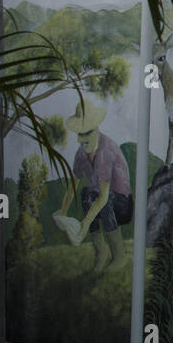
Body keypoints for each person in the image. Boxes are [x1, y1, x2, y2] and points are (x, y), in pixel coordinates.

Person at [56, 98, 133, 273]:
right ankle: (101, 253)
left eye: (87, 133)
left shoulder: (105, 150)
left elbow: (104, 195)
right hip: (104, 200)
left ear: (96, 130)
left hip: (123, 204)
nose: (83, 139)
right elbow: (72, 187)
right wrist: (62, 212)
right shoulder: (81, 154)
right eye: (80, 134)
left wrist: (85, 222)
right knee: (85, 195)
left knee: (102, 201)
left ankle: (118, 255)